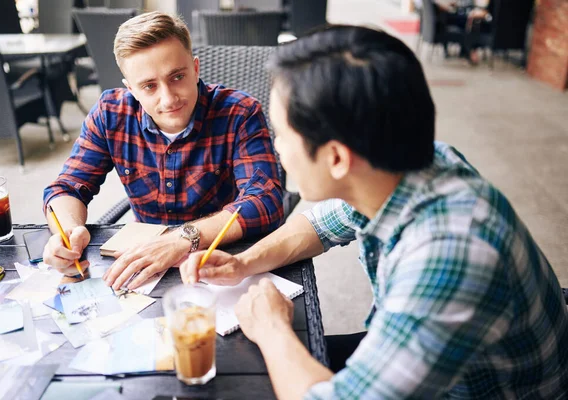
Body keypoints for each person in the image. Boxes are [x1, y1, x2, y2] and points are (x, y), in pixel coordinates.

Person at [180, 25, 568, 398]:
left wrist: (271, 328)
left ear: (336, 158)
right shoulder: (408, 163)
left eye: (281, 134)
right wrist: (244, 262)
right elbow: (319, 223)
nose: (277, 149)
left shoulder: (448, 255)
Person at [42, 12, 284, 290]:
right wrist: (69, 231)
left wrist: (181, 239)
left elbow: (266, 201)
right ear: (131, 89)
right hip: (144, 260)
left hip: (220, 257)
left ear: (196, 68)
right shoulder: (110, 113)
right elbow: (66, 188)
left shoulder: (240, 112)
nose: (168, 99)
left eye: (178, 76)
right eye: (149, 86)